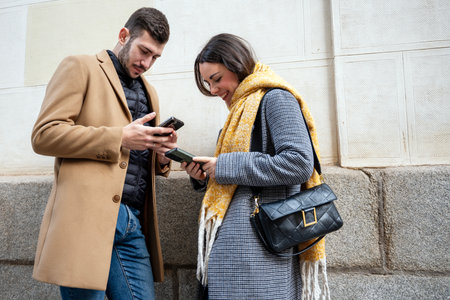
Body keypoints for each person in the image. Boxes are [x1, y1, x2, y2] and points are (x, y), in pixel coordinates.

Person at [31, 7, 176, 300]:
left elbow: (136, 155)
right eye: (144, 51)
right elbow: (44, 135)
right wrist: (119, 137)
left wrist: (161, 156)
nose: (147, 63)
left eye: (155, 57)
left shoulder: (150, 92)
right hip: (86, 219)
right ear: (124, 36)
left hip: (132, 221)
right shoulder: (80, 66)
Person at [181, 33, 330, 299]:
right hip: (239, 248)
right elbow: (236, 177)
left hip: (261, 249)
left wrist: (224, 166)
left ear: (237, 65)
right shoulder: (241, 111)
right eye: (207, 83)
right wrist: (204, 175)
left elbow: (299, 163)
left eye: (217, 79)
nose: (213, 90)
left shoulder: (275, 99)